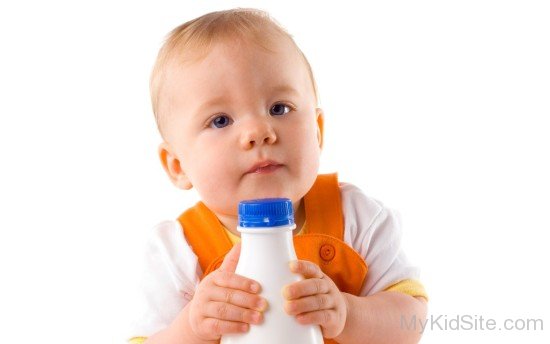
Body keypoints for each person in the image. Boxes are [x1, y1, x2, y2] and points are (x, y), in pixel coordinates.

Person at [129, 8, 428, 344]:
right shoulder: (178, 251)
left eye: (279, 108)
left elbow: (410, 321)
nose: (259, 132)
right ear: (177, 165)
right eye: (220, 121)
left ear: (317, 131)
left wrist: (347, 314)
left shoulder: (356, 218)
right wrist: (191, 329)